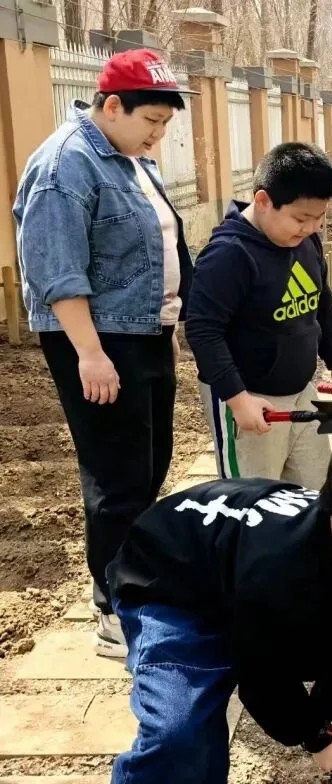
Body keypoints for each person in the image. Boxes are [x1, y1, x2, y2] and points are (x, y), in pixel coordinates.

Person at [102, 425, 332, 784]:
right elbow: (261, 675)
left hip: (237, 581)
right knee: (181, 735)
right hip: (170, 587)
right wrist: (317, 734)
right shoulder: (278, 567)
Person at [12, 49, 197, 658]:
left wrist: (169, 320)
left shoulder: (130, 158)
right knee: (117, 478)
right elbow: (56, 271)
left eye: (165, 124)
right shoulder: (65, 165)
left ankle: (139, 584)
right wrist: (90, 354)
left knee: (150, 465)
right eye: (152, 121)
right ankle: (116, 610)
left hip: (142, 332)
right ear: (112, 106)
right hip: (98, 340)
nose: (158, 135)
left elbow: (154, 247)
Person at [185, 142, 332, 490]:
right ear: (263, 201)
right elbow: (203, 331)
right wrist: (238, 399)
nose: (311, 228)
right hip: (251, 401)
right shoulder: (229, 255)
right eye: (301, 218)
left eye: (319, 217)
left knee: (313, 491)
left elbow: (321, 303)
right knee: (255, 498)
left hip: (301, 392)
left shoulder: (306, 242)